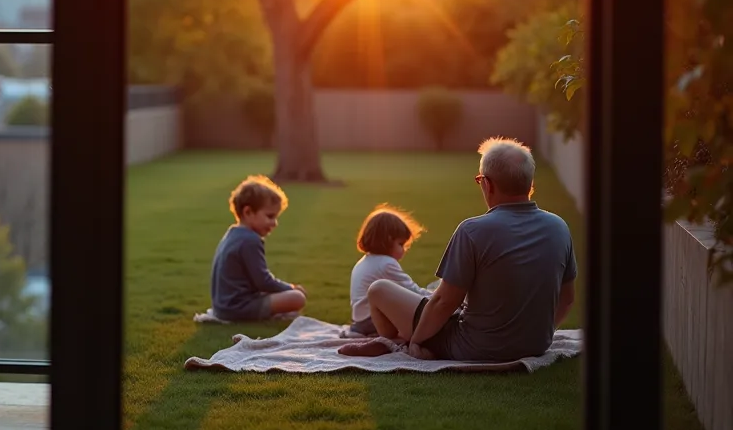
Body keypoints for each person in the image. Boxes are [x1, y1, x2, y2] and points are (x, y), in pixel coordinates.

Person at [341, 137, 578, 362]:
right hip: (536, 345)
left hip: (474, 346)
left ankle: (394, 343)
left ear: (487, 184)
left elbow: (444, 302)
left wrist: (417, 341)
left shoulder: (473, 231)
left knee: (379, 289)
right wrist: (539, 337)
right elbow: (567, 299)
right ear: (530, 184)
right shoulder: (559, 227)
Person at [209, 175, 307, 322]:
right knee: (297, 298)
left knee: (288, 297)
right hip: (237, 308)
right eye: (270, 216)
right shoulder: (250, 240)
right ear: (248, 212)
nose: (274, 223)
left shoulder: (232, 233)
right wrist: (291, 288)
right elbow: (263, 281)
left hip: (222, 307)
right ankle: (271, 314)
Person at [345, 205, 430, 337]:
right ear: (388, 240)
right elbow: (412, 291)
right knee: (420, 319)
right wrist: (435, 298)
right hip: (372, 320)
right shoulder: (386, 264)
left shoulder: (365, 261)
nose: (404, 250)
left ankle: (360, 332)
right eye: (401, 244)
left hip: (360, 321)